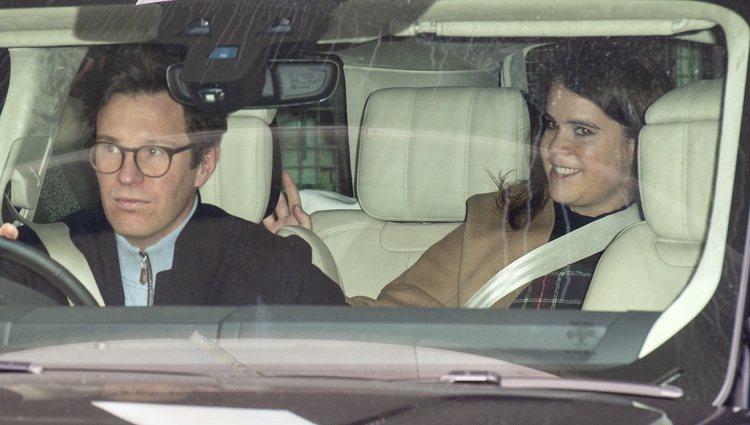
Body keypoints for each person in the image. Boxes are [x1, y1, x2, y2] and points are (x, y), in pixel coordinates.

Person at [266, 40, 672, 308]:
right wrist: (286, 263)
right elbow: (390, 320)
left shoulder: (681, 243)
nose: (553, 147)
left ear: (637, 143)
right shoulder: (498, 218)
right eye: (551, 125)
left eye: (582, 131)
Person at [0, 44, 345, 307]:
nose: (127, 176)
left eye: (154, 153)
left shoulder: (275, 272)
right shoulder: (34, 258)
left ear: (205, 163)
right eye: (110, 149)